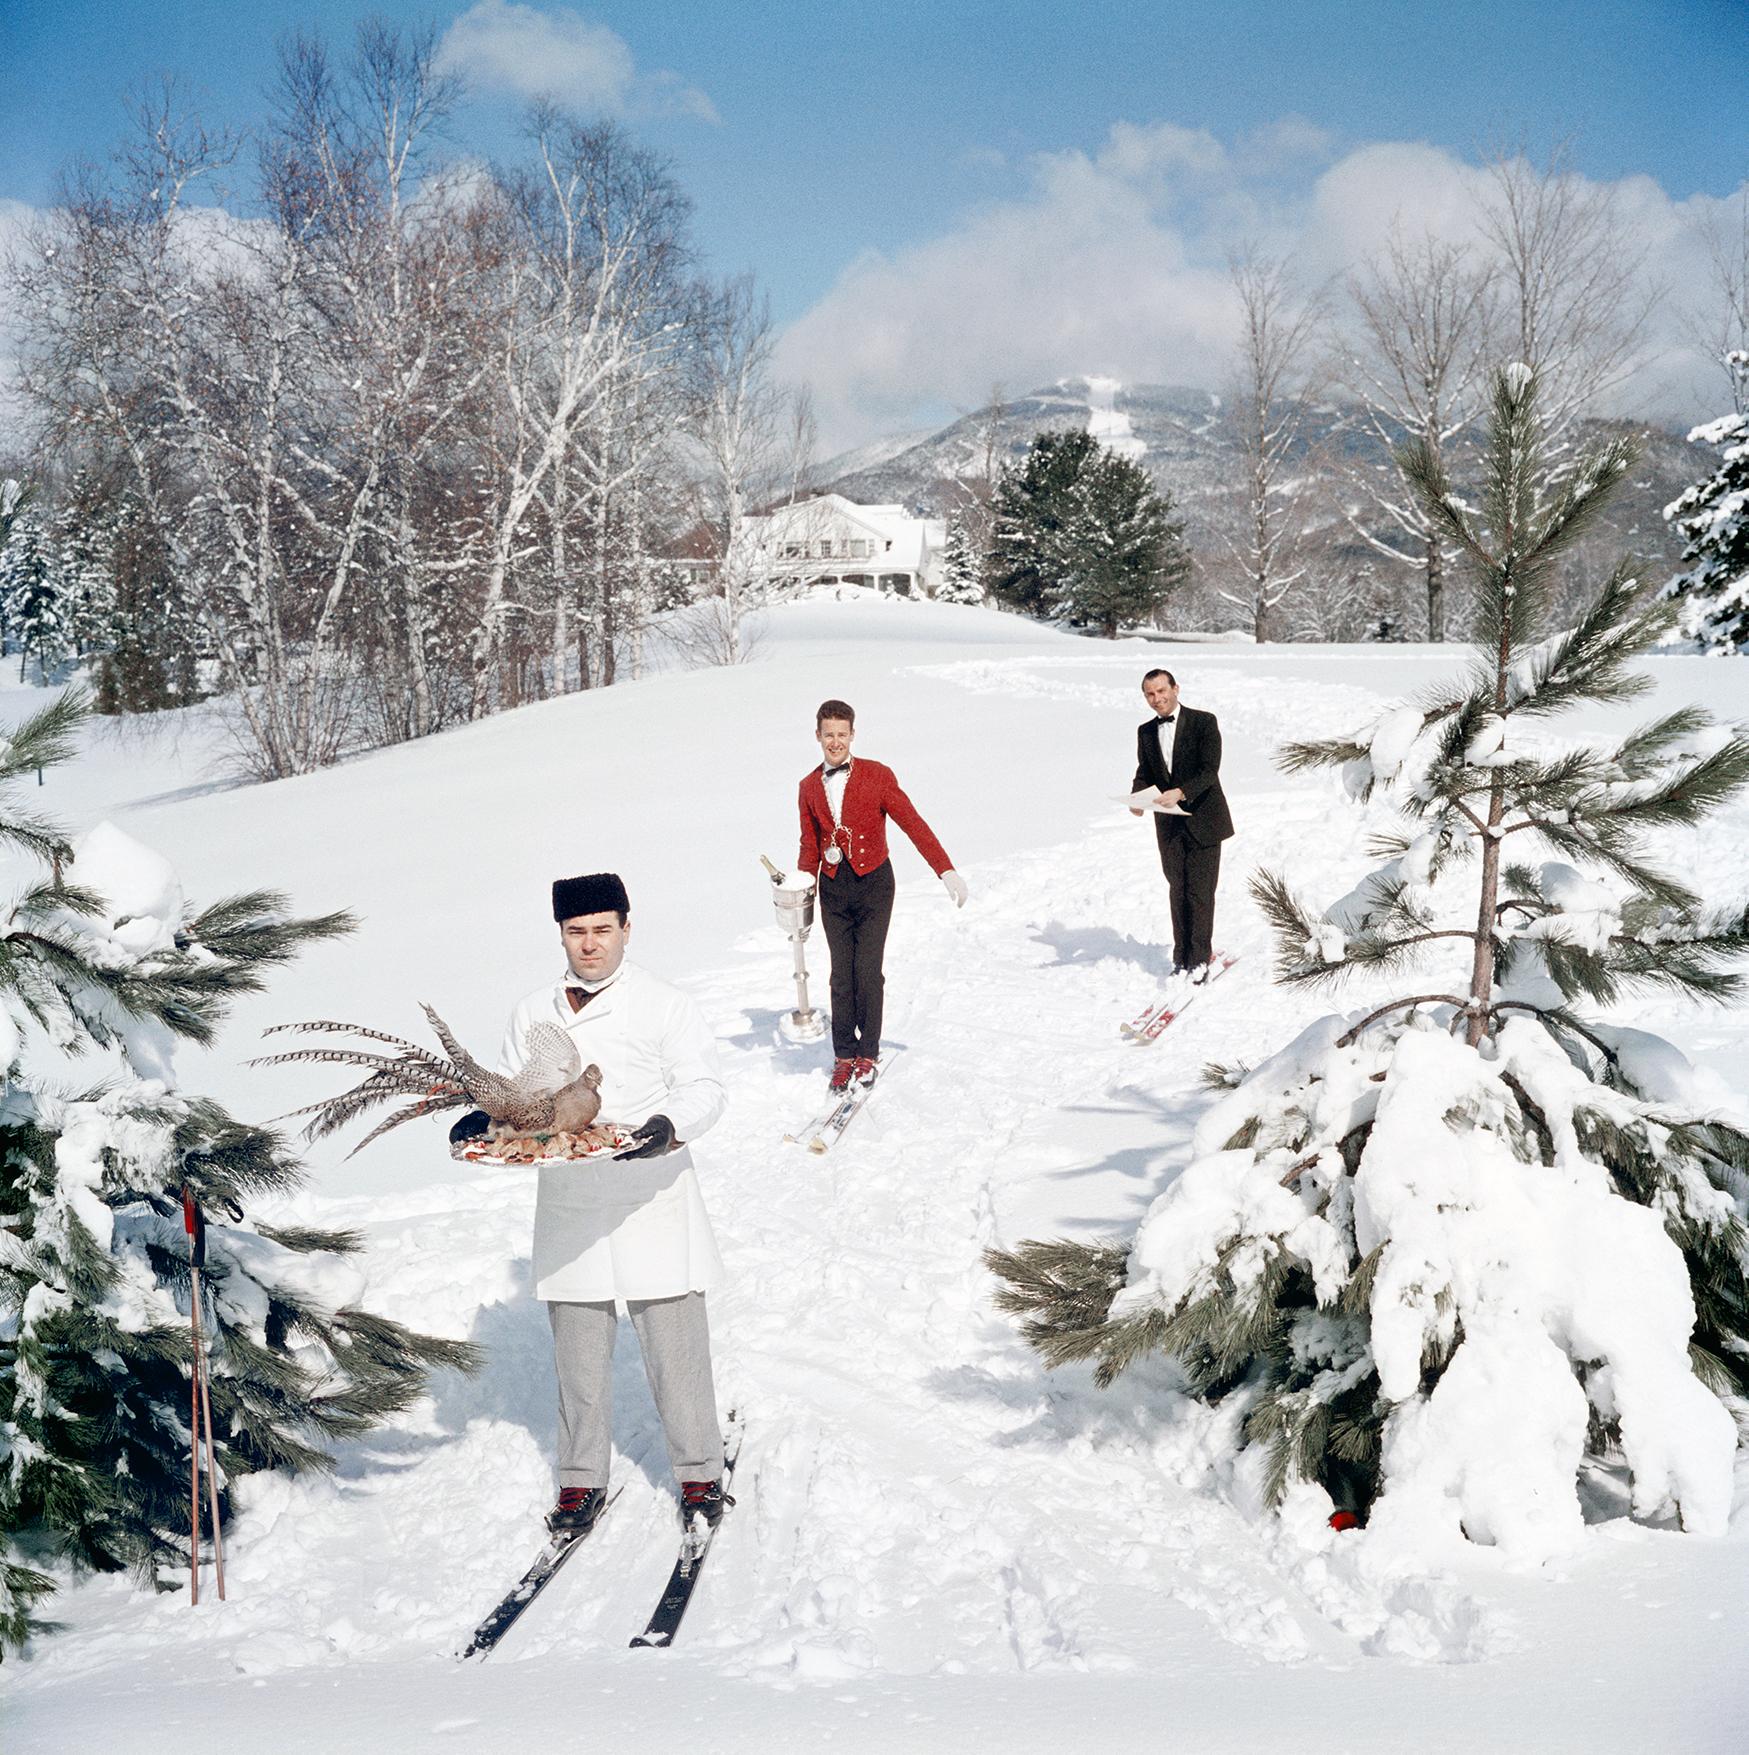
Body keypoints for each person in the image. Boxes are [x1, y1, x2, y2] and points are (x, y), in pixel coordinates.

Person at [454, 871, 729, 1537]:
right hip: (571, 1198)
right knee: (578, 1353)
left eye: (602, 929)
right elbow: (518, 1099)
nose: (590, 943)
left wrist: (668, 1126)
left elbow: (705, 1085)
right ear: (561, 935)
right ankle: (580, 1480)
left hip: (649, 1191)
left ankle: (697, 1470)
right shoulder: (531, 1011)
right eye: (577, 931)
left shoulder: (665, 1003)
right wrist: (482, 1119)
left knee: (674, 1345)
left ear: (626, 928)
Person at [795, 698, 968, 1092]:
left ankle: (868, 1052)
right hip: (833, 888)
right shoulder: (807, 787)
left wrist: (945, 870)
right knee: (841, 974)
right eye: (828, 735)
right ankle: (843, 1054)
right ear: (817, 736)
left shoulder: (877, 775)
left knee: (867, 971)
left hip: (874, 884)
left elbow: (912, 822)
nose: (835, 742)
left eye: (842, 734)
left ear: (853, 735)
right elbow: (809, 846)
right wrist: (802, 891)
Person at [1129, 668, 1233, 978]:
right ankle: (1181, 957)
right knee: (1178, 889)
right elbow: (1145, 770)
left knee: (1199, 892)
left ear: (1176, 688)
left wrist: (1182, 792)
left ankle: (1200, 960)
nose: (1156, 698)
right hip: (1169, 824)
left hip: (1204, 820)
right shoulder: (1145, 731)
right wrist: (1137, 798)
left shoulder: (1204, 722)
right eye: (1150, 694)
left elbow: (1209, 770)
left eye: (1161, 691)